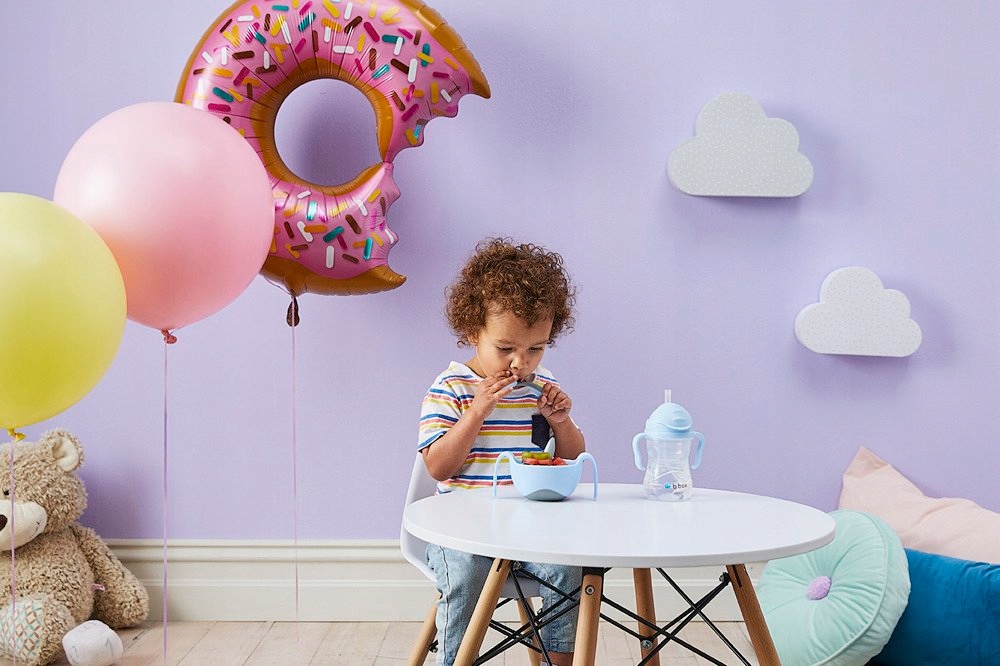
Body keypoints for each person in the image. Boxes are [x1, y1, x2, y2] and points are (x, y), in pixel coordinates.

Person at [417, 237, 585, 666]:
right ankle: (456, 659)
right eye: (505, 348)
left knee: (568, 568)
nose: (519, 364)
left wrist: (561, 422)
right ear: (473, 332)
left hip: (529, 529)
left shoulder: (540, 388)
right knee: (468, 573)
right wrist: (476, 412)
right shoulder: (452, 387)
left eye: (535, 349)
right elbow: (437, 467)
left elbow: (572, 458)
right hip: (460, 530)